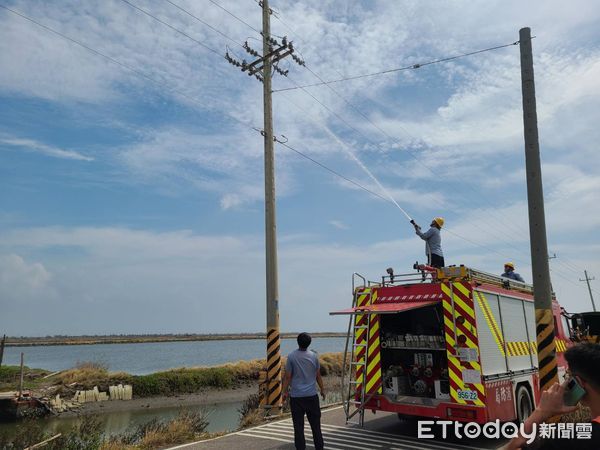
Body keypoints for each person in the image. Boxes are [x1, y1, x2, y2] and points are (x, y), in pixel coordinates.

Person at [506, 342, 600, 449]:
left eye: (568, 377)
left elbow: (513, 447)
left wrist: (541, 411)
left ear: (578, 382)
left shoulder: (567, 439)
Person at [282, 332, 325, 450]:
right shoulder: (314, 356)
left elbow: (288, 377)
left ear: (298, 342)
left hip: (296, 398)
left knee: (298, 428)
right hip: (312, 397)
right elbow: (318, 376)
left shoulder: (291, 356)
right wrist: (322, 389)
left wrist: (284, 392)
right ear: (309, 343)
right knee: (316, 427)